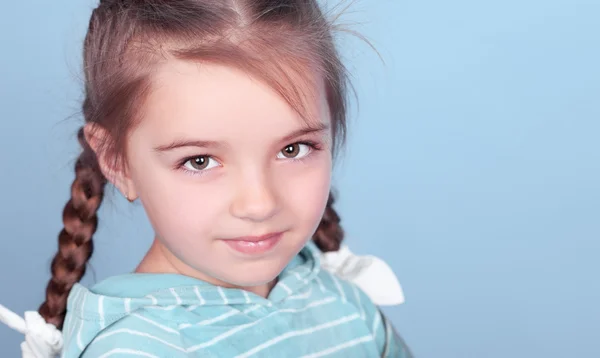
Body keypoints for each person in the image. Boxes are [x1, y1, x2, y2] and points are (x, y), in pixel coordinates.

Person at [1, 1, 411, 356]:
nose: (259, 204)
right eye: (199, 161)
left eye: (293, 149)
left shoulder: (342, 304)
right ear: (117, 160)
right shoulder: (138, 348)